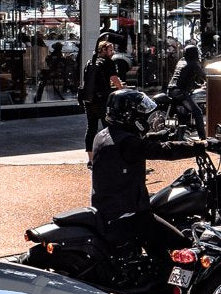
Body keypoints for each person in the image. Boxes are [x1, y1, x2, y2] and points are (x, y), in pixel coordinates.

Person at [89, 89, 208, 263]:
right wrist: (201, 146)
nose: (144, 116)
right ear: (128, 115)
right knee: (181, 244)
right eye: (140, 112)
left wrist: (160, 135)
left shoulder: (104, 135)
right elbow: (163, 151)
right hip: (129, 213)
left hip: (111, 207)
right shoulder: (127, 143)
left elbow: (139, 142)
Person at [78, 42, 123, 163]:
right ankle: (111, 156)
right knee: (109, 128)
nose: (112, 52)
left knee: (91, 128)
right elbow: (114, 78)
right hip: (102, 99)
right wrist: (121, 89)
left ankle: (91, 159)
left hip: (89, 99)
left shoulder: (90, 62)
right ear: (103, 49)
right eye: (110, 50)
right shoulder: (108, 62)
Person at [166, 44, 206, 130]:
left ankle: (184, 129)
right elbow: (203, 76)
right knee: (198, 112)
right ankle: (203, 136)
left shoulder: (181, 61)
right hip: (180, 92)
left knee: (185, 111)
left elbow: (184, 77)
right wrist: (211, 81)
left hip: (171, 90)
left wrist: (198, 85)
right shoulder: (193, 63)